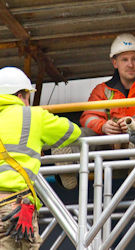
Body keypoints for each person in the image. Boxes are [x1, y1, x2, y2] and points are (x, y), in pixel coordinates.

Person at [0, 67, 81, 249]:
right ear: (22, 95)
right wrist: (38, 141)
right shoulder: (32, 116)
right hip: (13, 206)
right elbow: (72, 131)